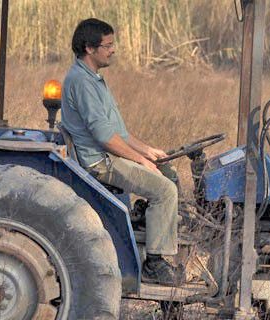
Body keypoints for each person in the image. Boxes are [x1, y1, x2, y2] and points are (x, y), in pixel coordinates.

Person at [61, 18, 180, 285]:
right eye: (108, 45)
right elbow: (105, 139)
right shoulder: (82, 82)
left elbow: (119, 133)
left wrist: (148, 152)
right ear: (90, 49)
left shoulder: (94, 79)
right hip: (101, 162)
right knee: (165, 190)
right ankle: (155, 262)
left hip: (109, 154)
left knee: (169, 174)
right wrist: (139, 160)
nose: (113, 50)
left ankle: (149, 231)